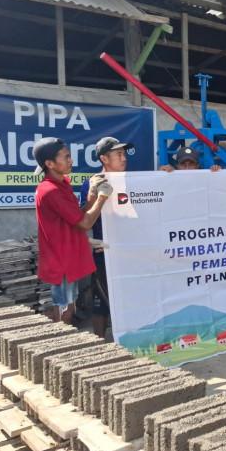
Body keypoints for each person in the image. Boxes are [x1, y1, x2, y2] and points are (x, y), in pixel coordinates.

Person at [34, 137, 111, 324]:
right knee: (64, 309)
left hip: (68, 257)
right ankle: (60, 339)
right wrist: (102, 198)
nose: (71, 160)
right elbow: (84, 223)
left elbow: (76, 216)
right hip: (61, 261)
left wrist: (92, 196)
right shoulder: (50, 190)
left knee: (69, 305)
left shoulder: (62, 185)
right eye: (66, 157)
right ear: (50, 164)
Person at [79, 137, 132, 337]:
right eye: (118, 154)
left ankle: (133, 340)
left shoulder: (135, 181)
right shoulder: (92, 183)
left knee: (131, 299)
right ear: (104, 158)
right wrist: (93, 195)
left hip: (131, 252)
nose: (124, 158)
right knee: (100, 301)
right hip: (105, 252)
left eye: (124, 153)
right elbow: (82, 218)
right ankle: (99, 344)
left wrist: (167, 174)